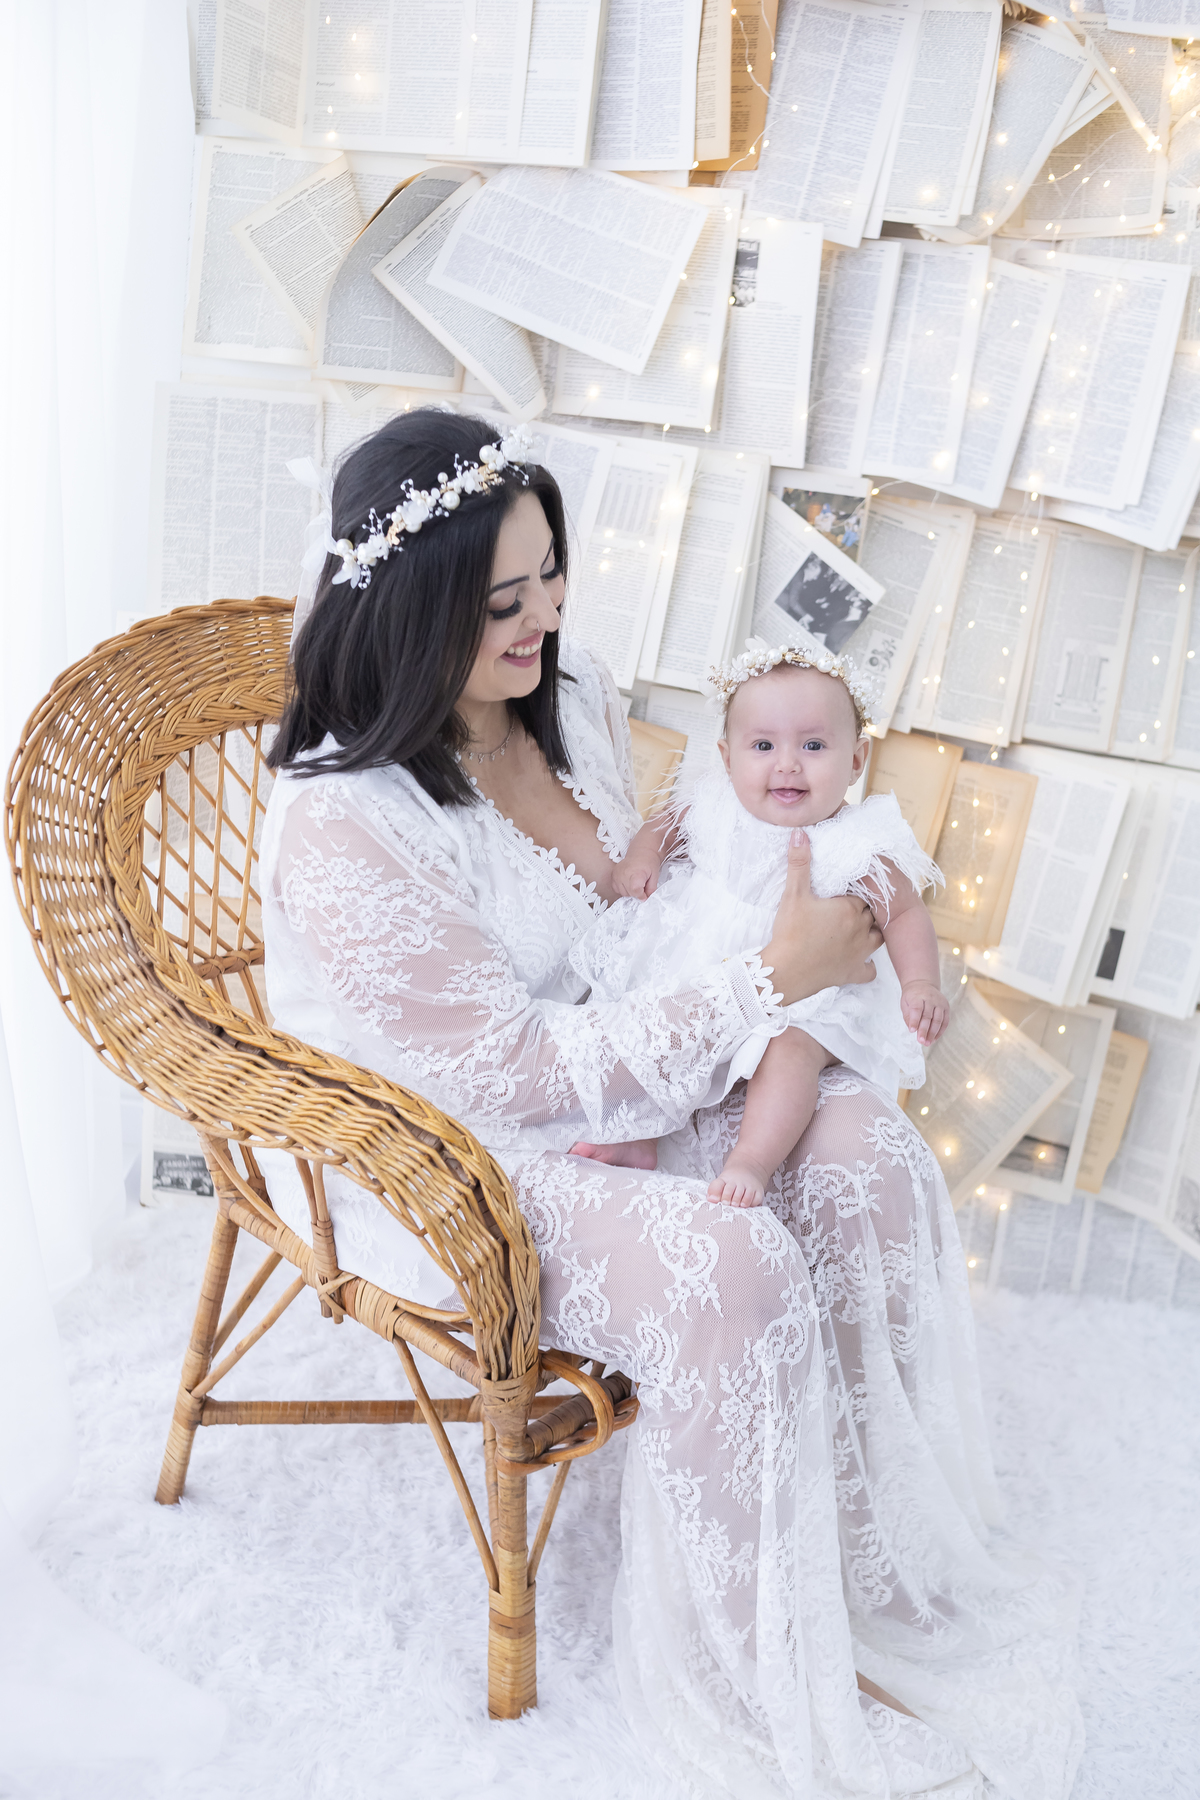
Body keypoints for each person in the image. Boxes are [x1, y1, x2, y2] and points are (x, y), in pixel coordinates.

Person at [259, 408, 1082, 1800]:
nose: (545, 618)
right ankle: (764, 1671)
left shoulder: (566, 694)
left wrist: (794, 931)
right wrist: (770, 979)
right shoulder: (349, 825)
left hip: (627, 1061)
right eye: (502, 602)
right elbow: (510, 1075)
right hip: (452, 1155)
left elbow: (645, 912)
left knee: (868, 1154)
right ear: (410, 611)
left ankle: (858, 1563)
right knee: (735, 1263)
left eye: (550, 575)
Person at [570, 642, 949, 1206]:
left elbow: (906, 912)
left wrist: (920, 983)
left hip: (804, 1000)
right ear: (727, 758)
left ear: (856, 759)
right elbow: (664, 826)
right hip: (701, 963)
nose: (787, 764)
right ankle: (639, 1133)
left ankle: (752, 1159)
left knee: (791, 1054)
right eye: (764, 745)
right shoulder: (715, 805)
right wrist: (642, 859)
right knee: (656, 1017)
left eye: (813, 745)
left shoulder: (856, 844)